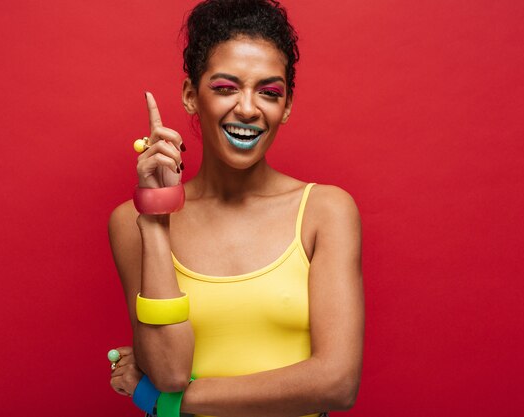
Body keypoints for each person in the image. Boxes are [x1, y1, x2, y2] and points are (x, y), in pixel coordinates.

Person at [107, 1, 364, 416]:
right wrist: (156, 219)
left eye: (269, 91)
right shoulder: (130, 221)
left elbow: (337, 382)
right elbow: (170, 370)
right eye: (226, 88)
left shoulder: (326, 211)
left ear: (288, 106)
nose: (247, 108)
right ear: (191, 95)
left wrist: (161, 401)